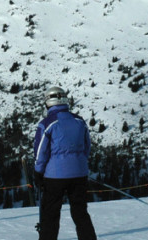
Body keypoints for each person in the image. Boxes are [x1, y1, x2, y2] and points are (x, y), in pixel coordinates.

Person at [33, 86, 97, 240]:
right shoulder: (79, 121)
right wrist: (78, 163)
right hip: (79, 174)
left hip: (55, 176)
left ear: (48, 102)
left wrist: (38, 173)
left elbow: (41, 152)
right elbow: (87, 146)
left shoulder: (47, 123)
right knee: (80, 213)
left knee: (50, 214)